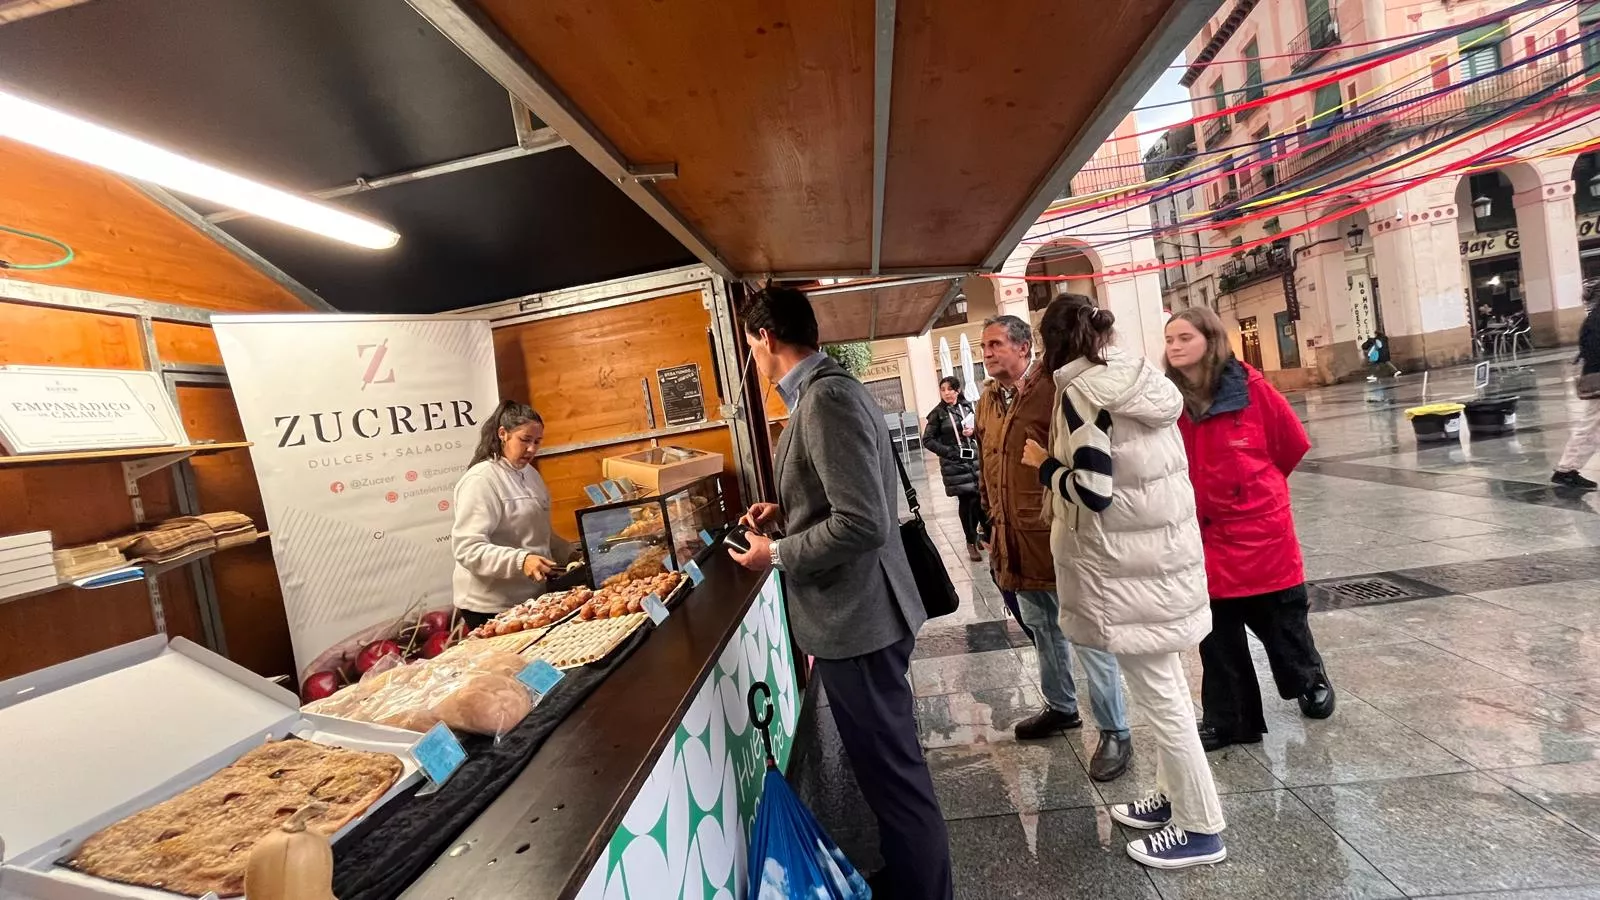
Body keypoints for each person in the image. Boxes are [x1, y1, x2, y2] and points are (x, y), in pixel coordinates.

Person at [727, 285, 952, 900]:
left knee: (895, 776)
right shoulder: (823, 392)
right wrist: (787, 510)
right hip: (860, 617)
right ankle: (907, 876)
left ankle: (926, 889)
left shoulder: (825, 398)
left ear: (766, 337)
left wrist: (775, 553)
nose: (752, 356)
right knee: (882, 772)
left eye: (750, 345)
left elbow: (862, 521)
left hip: (861, 620)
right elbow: (841, 496)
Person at [1020, 294, 1227, 870]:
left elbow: (1093, 490)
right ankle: (1170, 797)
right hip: (1158, 562)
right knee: (1167, 689)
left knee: (1164, 701)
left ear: (1051, 343)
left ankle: (1200, 828)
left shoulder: (1081, 392)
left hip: (1126, 573)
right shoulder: (1135, 377)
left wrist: (1043, 464)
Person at [1164, 307, 1335, 753]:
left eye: (1185, 337)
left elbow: (1290, 445)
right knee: (1216, 633)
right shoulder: (1167, 399)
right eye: (1170, 339)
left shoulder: (1251, 389)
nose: (1175, 346)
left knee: (1282, 622)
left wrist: (1254, 492)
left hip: (1260, 532)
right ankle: (1231, 720)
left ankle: (1309, 679)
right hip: (1203, 536)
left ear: (1210, 340)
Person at [976, 314, 1132, 780]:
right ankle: (1061, 706)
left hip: (1057, 534)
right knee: (1042, 626)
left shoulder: (1055, 390)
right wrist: (989, 518)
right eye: (984, 346)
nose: (987, 353)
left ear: (1025, 347)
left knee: (1086, 633)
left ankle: (1115, 729)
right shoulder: (988, 399)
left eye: (996, 344)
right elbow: (987, 462)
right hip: (1013, 538)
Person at [450, 400, 579, 632]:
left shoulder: (531, 475)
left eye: (537, 441)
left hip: (531, 599)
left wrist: (570, 553)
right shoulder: (480, 480)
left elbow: (541, 533)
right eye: (525, 440)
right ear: (503, 434)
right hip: (490, 606)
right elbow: (467, 548)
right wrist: (520, 560)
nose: (531, 449)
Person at [922, 375, 985, 561]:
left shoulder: (967, 407)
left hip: (974, 461)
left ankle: (978, 535)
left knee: (979, 499)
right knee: (966, 501)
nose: (946, 393)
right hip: (955, 465)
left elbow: (981, 429)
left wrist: (973, 432)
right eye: (943, 390)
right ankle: (970, 541)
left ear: (958, 390)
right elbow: (927, 440)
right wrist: (949, 452)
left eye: (950, 389)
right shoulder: (937, 414)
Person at [1552, 288, 1600, 490]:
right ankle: (1566, 469)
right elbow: (1594, 349)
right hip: (1598, 376)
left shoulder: (1595, 317)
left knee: (1593, 425)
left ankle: (1567, 469)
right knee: (1592, 425)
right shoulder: (1597, 318)